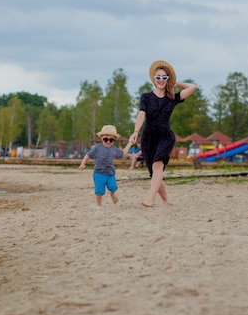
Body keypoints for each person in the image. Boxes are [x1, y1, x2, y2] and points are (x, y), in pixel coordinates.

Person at [129, 60, 197, 207]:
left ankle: (150, 199)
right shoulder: (146, 97)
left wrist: (175, 83)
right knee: (155, 173)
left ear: (168, 79)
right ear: (154, 79)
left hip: (165, 135)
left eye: (164, 77)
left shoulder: (172, 98)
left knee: (158, 165)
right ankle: (166, 200)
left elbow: (193, 87)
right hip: (148, 137)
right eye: (158, 77)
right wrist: (135, 131)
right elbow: (141, 114)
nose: (161, 80)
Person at [79, 125, 132, 207]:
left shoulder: (114, 149)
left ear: (114, 140)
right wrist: (83, 163)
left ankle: (112, 195)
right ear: (101, 138)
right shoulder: (96, 148)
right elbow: (88, 155)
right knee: (99, 190)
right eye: (105, 139)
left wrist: (129, 144)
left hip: (110, 173)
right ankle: (99, 205)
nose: (108, 142)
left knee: (113, 187)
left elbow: (123, 154)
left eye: (111, 140)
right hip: (99, 173)